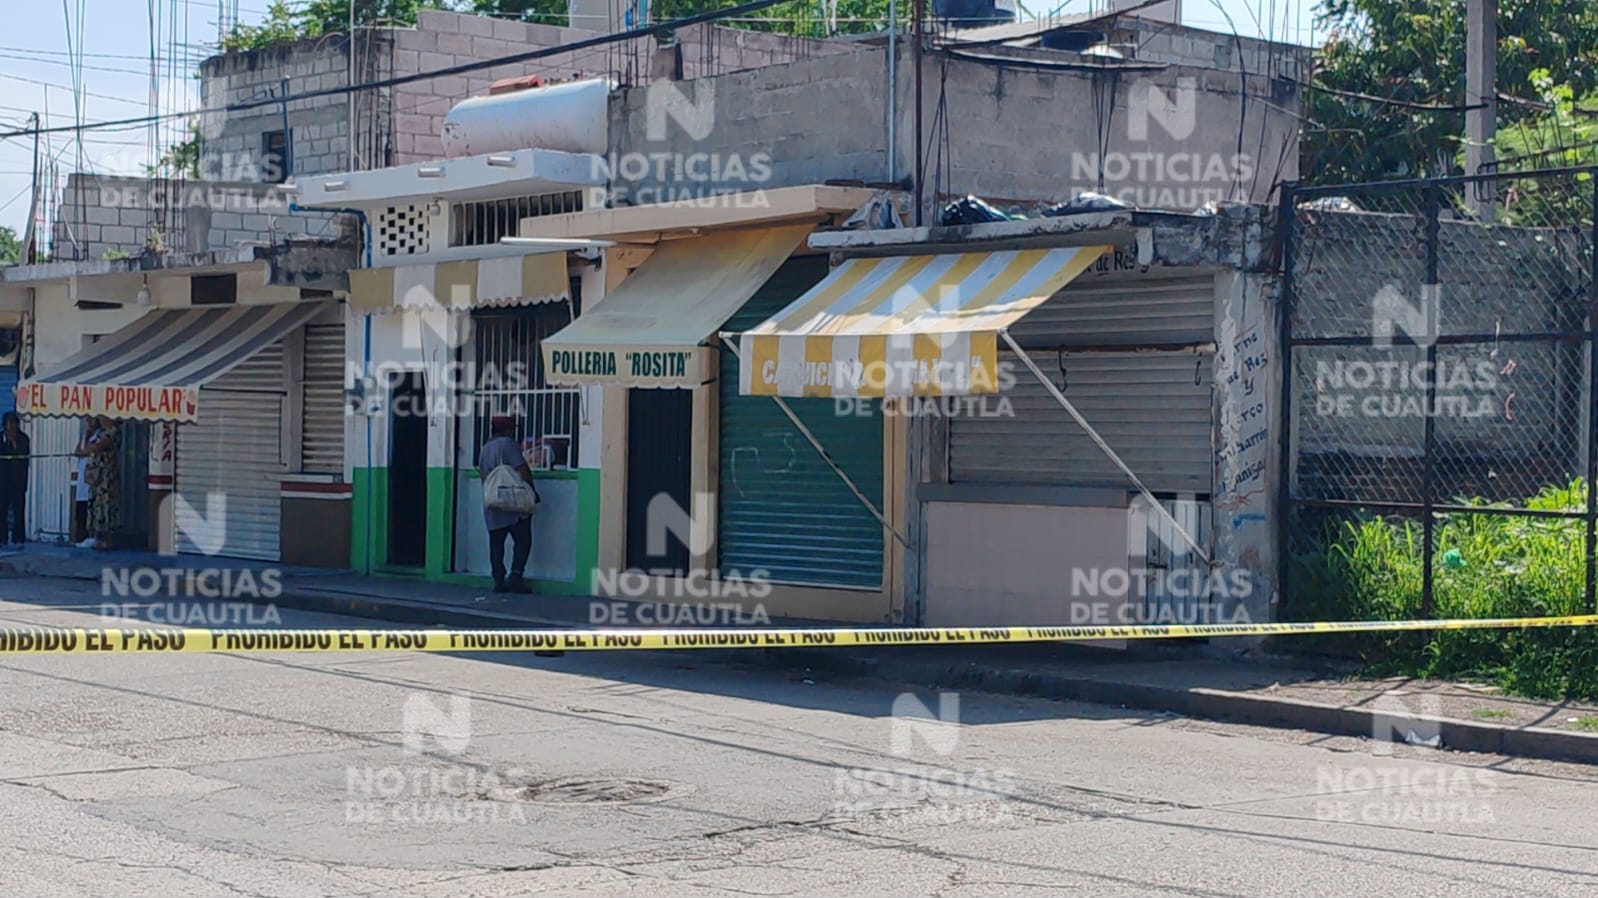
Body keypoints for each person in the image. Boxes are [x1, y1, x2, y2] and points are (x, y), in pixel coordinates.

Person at [478, 415, 538, 594]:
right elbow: (522, 470)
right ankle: (515, 576)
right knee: (523, 540)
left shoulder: (485, 448)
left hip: (493, 502)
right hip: (513, 504)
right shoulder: (508, 444)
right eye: (513, 428)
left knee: (496, 543)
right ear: (507, 429)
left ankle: (498, 580)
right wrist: (532, 491)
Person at [76, 416, 119, 551]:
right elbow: (80, 451)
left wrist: (88, 448)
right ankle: (95, 536)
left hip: (107, 476)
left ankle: (108, 538)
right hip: (95, 476)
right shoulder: (99, 433)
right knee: (96, 506)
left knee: (107, 506)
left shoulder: (112, 432)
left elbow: (96, 447)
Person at [0, 412, 29, 544]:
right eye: (8, 424)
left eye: (13, 423)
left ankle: (18, 538)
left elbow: (23, 458)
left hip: (18, 481)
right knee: (2, 511)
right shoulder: (0, 438)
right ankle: (2, 538)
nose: (11, 427)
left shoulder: (23, 438)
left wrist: (14, 442)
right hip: (3, 481)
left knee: (19, 511)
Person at [71, 418, 96, 544]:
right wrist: (85, 437)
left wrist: (84, 451)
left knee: (89, 509)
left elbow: (88, 451)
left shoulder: (98, 437)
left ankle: (90, 536)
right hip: (82, 477)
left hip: (92, 476)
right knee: (80, 510)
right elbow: (77, 452)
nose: (89, 424)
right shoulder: (84, 437)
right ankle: (80, 536)